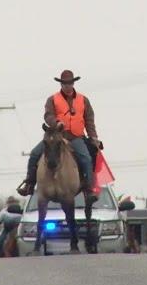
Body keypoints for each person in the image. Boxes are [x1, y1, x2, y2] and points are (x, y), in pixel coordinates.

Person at [16, 69, 102, 205]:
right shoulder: (52, 99)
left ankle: (89, 190)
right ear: (61, 84)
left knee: (86, 158)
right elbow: (48, 115)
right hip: (57, 136)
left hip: (76, 137)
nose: (68, 86)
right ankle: (29, 184)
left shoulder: (83, 100)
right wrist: (56, 122)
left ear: (73, 83)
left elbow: (89, 120)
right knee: (34, 154)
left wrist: (93, 136)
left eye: (70, 83)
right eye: (65, 83)